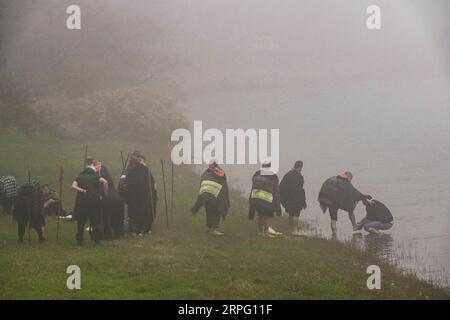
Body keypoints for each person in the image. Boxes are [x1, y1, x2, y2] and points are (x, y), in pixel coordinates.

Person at [318, 171, 371, 237]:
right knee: (350, 210)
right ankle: (354, 227)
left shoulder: (332, 179)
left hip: (330, 201)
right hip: (337, 202)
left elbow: (325, 190)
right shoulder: (346, 183)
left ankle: (334, 235)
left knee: (333, 219)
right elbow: (354, 192)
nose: (350, 180)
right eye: (350, 179)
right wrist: (363, 196)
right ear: (348, 176)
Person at [72, 158, 108, 245]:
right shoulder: (96, 177)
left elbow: (73, 186)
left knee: (81, 221)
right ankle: (97, 240)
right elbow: (105, 182)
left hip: (82, 201)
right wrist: (104, 194)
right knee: (95, 220)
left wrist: (82, 190)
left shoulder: (79, 177)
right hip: (94, 201)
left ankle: (79, 239)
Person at [191, 160, 230, 236]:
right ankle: (214, 229)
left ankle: (209, 228)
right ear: (216, 165)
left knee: (208, 211)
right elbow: (224, 185)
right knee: (216, 212)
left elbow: (202, 182)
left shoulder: (206, 173)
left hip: (206, 194)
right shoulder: (221, 172)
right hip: (216, 195)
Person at [125, 152, 157, 235]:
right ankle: (143, 228)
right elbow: (152, 182)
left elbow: (128, 183)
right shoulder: (146, 170)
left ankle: (136, 229)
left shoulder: (132, 171)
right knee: (144, 212)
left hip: (136, 196)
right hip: (145, 196)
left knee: (136, 212)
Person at [249, 161, 282, 238]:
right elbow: (276, 191)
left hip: (256, 198)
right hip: (267, 200)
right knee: (266, 216)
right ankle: (266, 232)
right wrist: (278, 207)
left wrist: (251, 200)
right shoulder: (273, 176)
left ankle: (260, 231)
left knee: (260, 215)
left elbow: (253, 187)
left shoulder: (257, 174)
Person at [94, 159, 125, 239]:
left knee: (108, 217)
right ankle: (119, 234)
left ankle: (108, 234)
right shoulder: (105, 173)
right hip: (118, 199)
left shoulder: (100, 185)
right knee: (119, 218)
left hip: (111, 201)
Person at [280, 160, 307, 236]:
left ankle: (290, 228)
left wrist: (283, 199)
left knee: (291, 214)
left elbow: (281, 187)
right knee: (296, 215)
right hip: (297, 199)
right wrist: (303, 201)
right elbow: (300, 189)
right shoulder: (299, 177)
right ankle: (294, 230)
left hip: (288, 199)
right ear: (300, 167)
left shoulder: (287, 175)